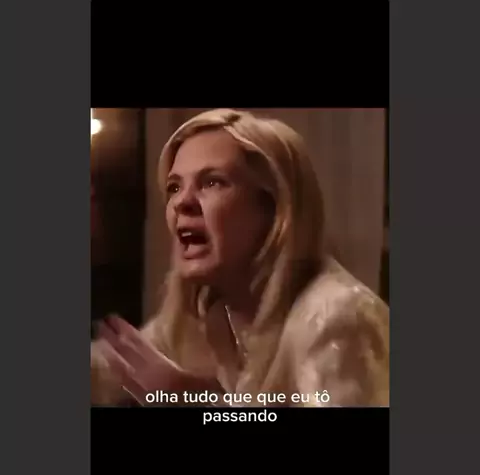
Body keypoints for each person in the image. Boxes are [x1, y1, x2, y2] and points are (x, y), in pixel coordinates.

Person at [91, 108, 389, 407]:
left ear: (275, 207)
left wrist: (201, 403)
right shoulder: (205, 307)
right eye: (174, 187)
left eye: (212, 182)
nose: (182, 201)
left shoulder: (337, 316)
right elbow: (107, 373)